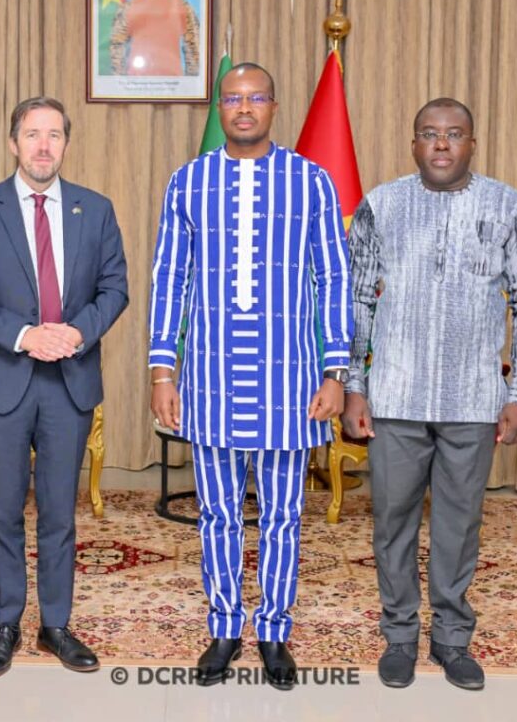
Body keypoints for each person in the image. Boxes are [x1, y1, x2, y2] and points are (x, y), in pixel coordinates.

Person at [148, 63, 353, 690]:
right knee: (217, 514)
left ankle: (275, 632)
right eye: (232, 99)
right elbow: (169, 279)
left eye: (255, 97)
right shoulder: (188, 182)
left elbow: (334, 278)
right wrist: (163, 367)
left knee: (285, 515)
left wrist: (335, 369)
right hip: (209, 382)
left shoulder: (312, 182)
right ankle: (223, 626)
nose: (243, 108)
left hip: (289, 384)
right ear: (219, 108)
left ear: (273, 105)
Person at [343, 98, 517, 691]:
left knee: (460, 525)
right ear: (413, 144)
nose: (441, 144)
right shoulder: (382, 205)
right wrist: (356, 386)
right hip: (397, 398)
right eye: (429, 134)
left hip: (473, 400)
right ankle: (401, 635)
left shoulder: (508, 206)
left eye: (453, 134)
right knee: (393, 523)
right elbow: (356, 299)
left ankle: (453, 639)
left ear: (471, 145)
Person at [0, 97, 128, 677]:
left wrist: (75, 332)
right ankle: (6, 623)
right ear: (13, 143)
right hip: (3, 381)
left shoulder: (94, 210)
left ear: (66, 144)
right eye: (32, 134)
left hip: (68, 383)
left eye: (53, 135)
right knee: (1, 510)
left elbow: (115, 289)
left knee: (58, 512)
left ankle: (56, 625)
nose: (43, 145)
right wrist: (26, 335)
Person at [109, 0, 200, 76]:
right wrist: (120, 82)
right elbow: (116, 47)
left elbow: (193, 47)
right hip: (136, 85)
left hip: (173, 86)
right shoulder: (129, 7)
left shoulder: (182, 6)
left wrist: (191, 83)